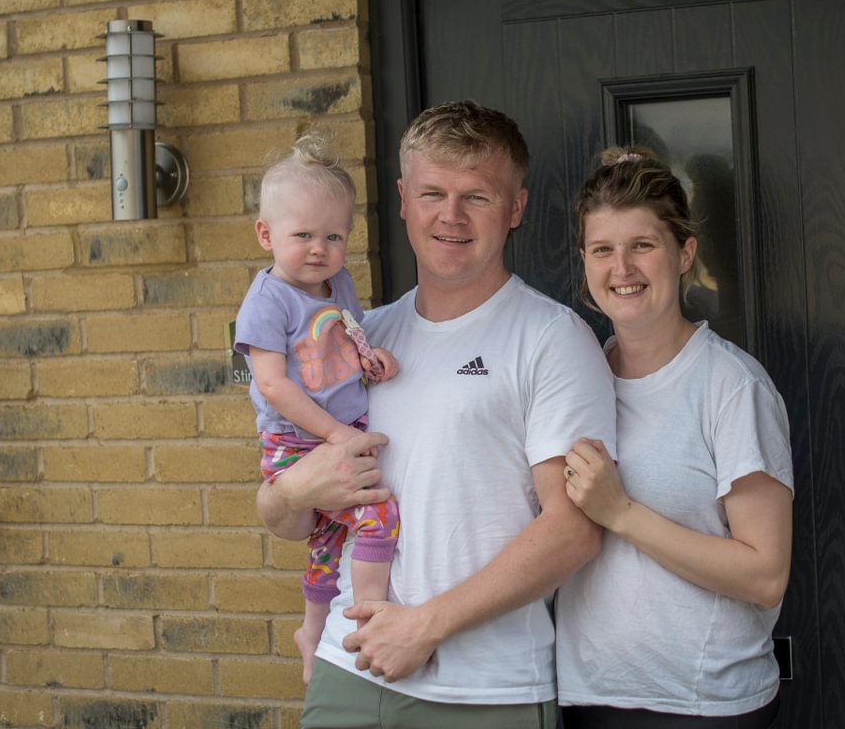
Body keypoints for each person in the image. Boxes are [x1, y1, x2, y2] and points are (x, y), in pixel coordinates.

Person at [256, 101, 617, 728]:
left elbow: (575, 529)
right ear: (402, 199)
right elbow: (288, 519)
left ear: (516, 208)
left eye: (476, 196)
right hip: (351, 666)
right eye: (431, 193)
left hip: (485, 690)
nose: (450, 216)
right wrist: (293, 489)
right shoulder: (360, 335)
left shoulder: (552, 339)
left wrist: (426, 626)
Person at [556, 147, 794, 728]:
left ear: (684, 253)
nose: (623, 269)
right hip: (587, 698)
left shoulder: (731, 387)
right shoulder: (571, 376)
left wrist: (621, 513)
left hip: (702, 705)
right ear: (584, 261)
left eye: (643, 246)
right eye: (604, 250)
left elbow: (765, 576)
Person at [234, 134, 401, 685]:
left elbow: (348, 335)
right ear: (265, 234)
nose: (318, 248)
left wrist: (372, 359)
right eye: (302, 235)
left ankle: (312, 629)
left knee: (328, 543)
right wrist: (335, 435)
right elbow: (274, 385)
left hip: (338, 430)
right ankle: (370, 614)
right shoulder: (267, 300)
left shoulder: (339, 283)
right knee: (379, 515)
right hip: (297, 439)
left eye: (333, 235)